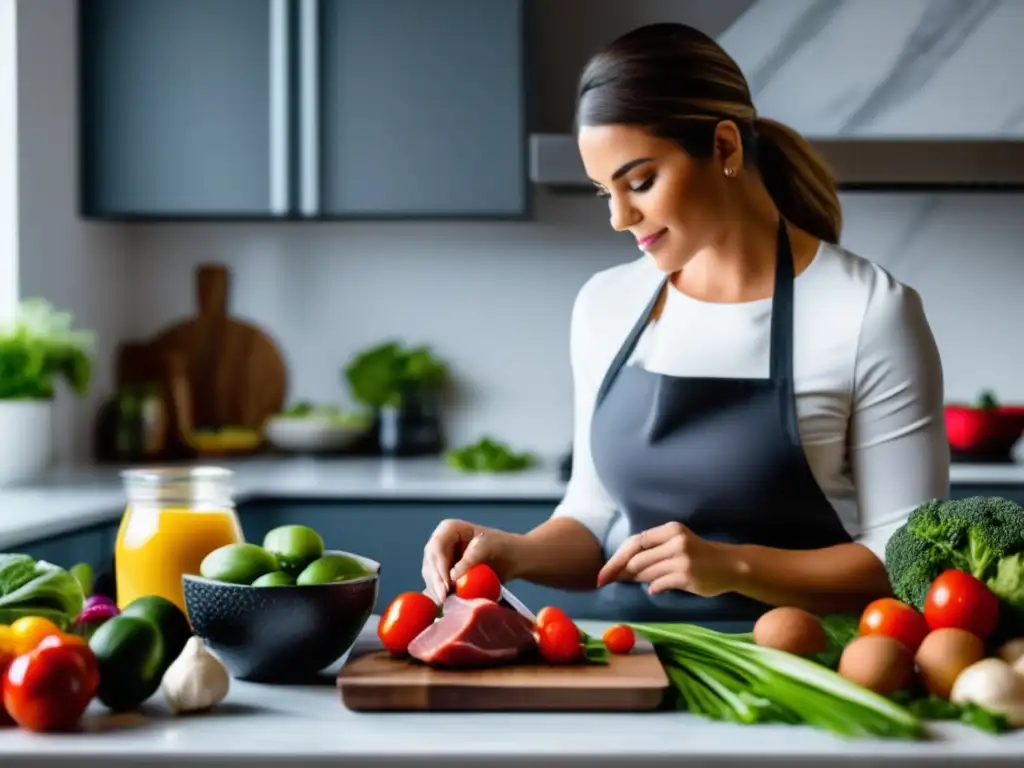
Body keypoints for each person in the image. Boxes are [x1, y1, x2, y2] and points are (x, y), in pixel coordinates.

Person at [421, 22, 949, 622]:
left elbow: (909, 561)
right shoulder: (606, 305)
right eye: (603, 192)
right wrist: (512, 552)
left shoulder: (868, 312)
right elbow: (595, 520)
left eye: (640, 182)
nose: (620, 217)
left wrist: (734, 567)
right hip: (626, 659)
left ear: (724, 147)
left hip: (796, 665)